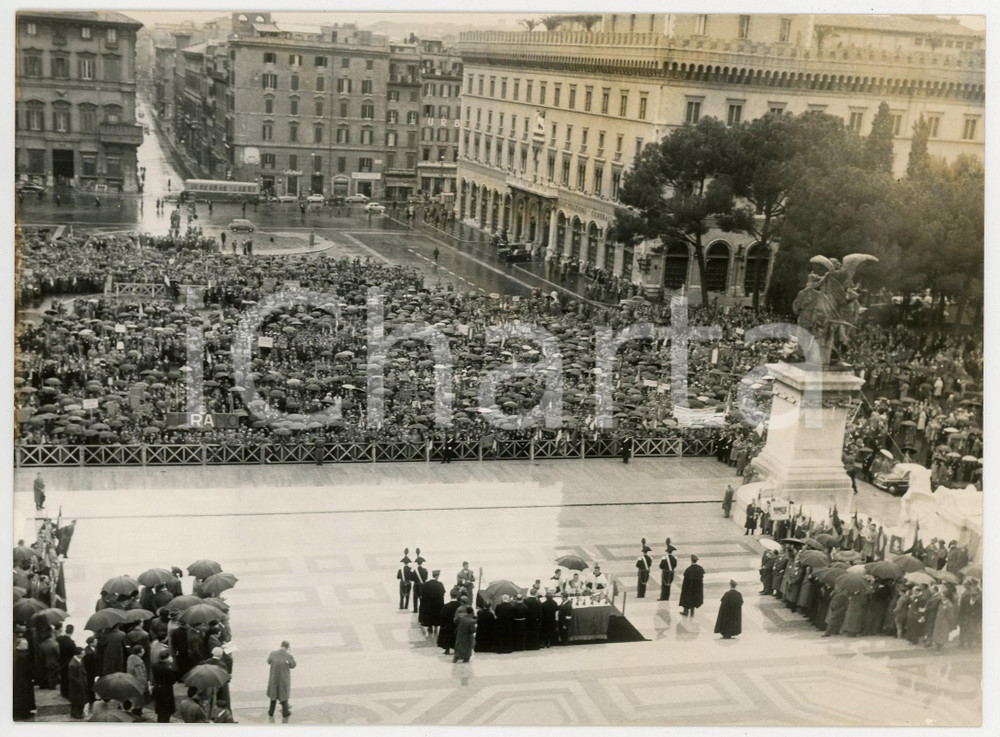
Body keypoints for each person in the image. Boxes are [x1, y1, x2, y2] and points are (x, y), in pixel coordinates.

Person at [266, 641, 296, 718]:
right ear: (287, 648)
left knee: (274, 694)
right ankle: (285, 712)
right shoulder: (288, 656)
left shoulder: (273, 653)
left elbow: (268, 661)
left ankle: (271, 711)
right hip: (283, 678)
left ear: (281, 646)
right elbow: (293, 665)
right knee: (283, 694)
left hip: (274, 678)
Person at [13, 639, 36, 721]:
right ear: (20, 645)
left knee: (19, 696)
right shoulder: (23, 656)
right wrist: (32, 677)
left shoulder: (16, 654)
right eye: (25, 644)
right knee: (25, 696)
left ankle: (18, 712)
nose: (27, 645)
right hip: (24, 680)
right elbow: (28, 669)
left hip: (18, 679)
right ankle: (25, 713)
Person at [151, 650, 176, 723]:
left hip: (158, 688)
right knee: (167, 710)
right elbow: (173, 680)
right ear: (167, 658)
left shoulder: (154, 666)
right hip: (166, 690)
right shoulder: (167, 668)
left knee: (160, 708)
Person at [419, 570, 446, 636]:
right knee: (436, 616)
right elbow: (442, 594)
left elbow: (423, 595)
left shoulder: (426, 584)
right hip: (437, 605)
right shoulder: (440, 584)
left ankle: (430, 627)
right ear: (437, 576)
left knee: (430, 616)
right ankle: (436, 627)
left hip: (429, 605)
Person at [68, 647, 89, 719]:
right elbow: (71, 676)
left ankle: (74, 712)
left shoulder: (79, 660)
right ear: (78, 654)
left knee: (78, 699)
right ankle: (77, 714)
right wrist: (79, 683)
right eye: (83, 653)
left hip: (81, 683)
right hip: (77, 685)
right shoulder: (73, 665)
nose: (84, 654)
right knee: (78, 700)